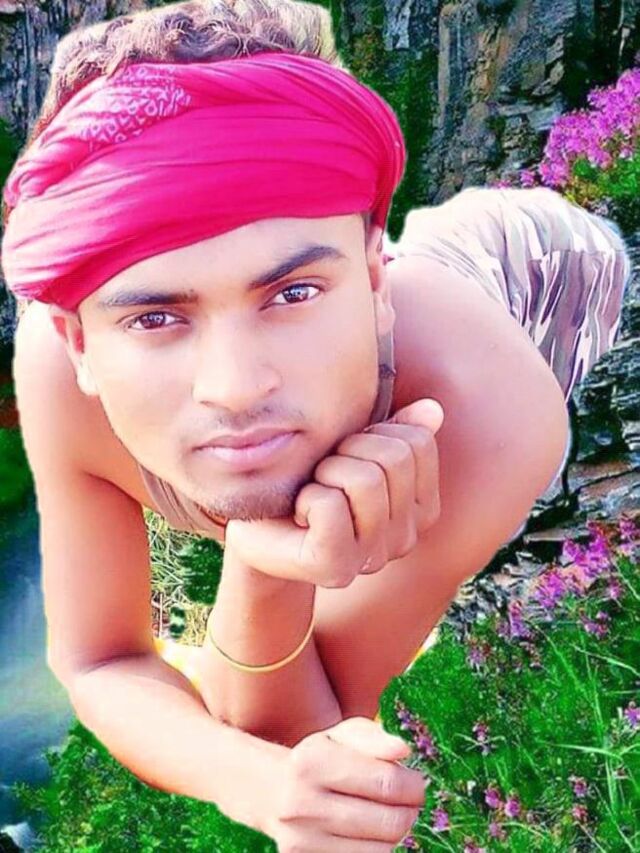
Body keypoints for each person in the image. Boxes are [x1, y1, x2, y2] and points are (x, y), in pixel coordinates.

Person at [1, 0, 631, 849]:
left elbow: (317, 713)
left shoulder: (485, 406)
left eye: (292, 292)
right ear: (79, 340)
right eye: (155, 317)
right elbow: (102, 660)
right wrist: (253, 773)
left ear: (373, 279)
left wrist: (262, 590)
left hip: (549, 275)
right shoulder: (55, 367)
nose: (234, 390)